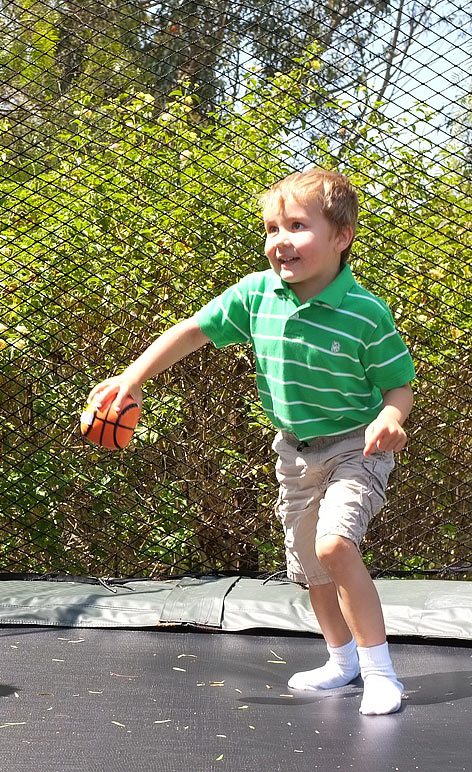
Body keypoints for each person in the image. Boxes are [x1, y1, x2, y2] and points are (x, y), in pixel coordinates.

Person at [88, 168, 415, 716]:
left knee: (336, 546)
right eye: (271, 228)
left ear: (342, 236)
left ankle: (382, 672)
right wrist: (134, 376)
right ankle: (342, 661)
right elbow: (192, 329)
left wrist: (390, 417)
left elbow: (397, 386)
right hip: (294, 449)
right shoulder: (255, 294)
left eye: (296, 226)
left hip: (356, 447)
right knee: (312, 567)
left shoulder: (365, 313)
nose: (280, 240)